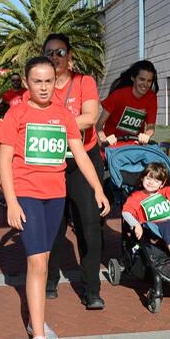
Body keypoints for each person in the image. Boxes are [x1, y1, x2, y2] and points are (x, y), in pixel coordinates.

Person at [0, 56, 110, 339]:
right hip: (28, 196)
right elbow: (4, 161)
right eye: (38, 81)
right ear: (27, 82)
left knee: (45, 263)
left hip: (55, 196)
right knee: (36, 265)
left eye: (48, 81)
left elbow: (81, 155)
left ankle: (37, 321)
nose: (44, 87)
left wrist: (98, 189)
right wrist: (13, 201)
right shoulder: (16, 114)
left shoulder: (64, 115)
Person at [38, 33, 105, 309]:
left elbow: (90, 117)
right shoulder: (41, 86)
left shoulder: (83, 82)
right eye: (50, 53)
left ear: (70, 57)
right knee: (53, 226)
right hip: (52, 162)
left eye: (60, 52)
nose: (55, 57)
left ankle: (91, 289)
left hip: (83, 160)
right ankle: (50, 279)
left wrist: (54, 122)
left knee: (89, 226)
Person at [122, 162, 170, 272]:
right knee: (167, 225)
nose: (151, 183)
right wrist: (136, 224)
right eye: (149, 178)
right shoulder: (136, 197)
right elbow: (126, 212)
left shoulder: (163, 192)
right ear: (142, 178)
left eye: (156, 180)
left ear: (162, 183)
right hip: (153, 226)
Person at [97, 60, 159, 146]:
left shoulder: (151, 97)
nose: (145, 84)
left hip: (134, 147)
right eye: (142, 79)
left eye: (149, 81)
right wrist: (104, 139)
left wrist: (146, 136)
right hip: (112, 147)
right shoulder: (118, 95)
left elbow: (151, 127)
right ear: (133, 78)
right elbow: (99, 125)